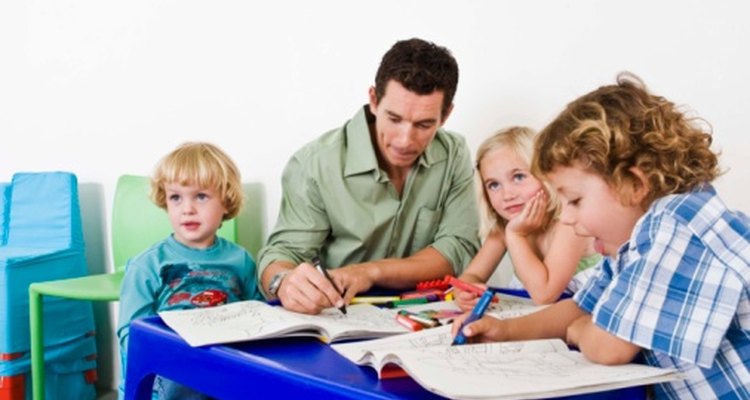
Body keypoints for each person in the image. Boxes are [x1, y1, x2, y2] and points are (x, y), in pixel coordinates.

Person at [451, 73, 749, 399]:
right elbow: (582, 306)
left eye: (575, 200)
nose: (566, 216)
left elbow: (609, 346)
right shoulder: (632, 248)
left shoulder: (677, 223)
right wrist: (505, 330)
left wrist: (578, 332)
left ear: (634, 185)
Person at [258, 38, 480, 315]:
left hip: (425, 317)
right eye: (394, 118)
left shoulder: (453, 154)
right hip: (340, 317)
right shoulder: (315, 163)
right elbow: (280, 256)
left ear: (446, 115)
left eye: (424, 124)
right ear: (374, 100)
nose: (404, 140)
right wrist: (283, 282)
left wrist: (370, 272)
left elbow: (457, 249)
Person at [116, 142, 262, 399]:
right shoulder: (148, 265)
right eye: (176, 197)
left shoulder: (241, 260)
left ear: (226, 202)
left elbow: (259, 317)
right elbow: (131, 333)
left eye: (201, 196)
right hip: (170, 370)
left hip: (225, 362)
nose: (187, 209)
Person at [455, 127, 600, 309]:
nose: (507, 194)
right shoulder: (503, 228)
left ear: (545, 175)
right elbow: (471, 276)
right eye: (493, 185)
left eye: (518, 177)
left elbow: (544, 294)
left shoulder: (568, 223)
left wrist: (516, 236)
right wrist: (465, 292)